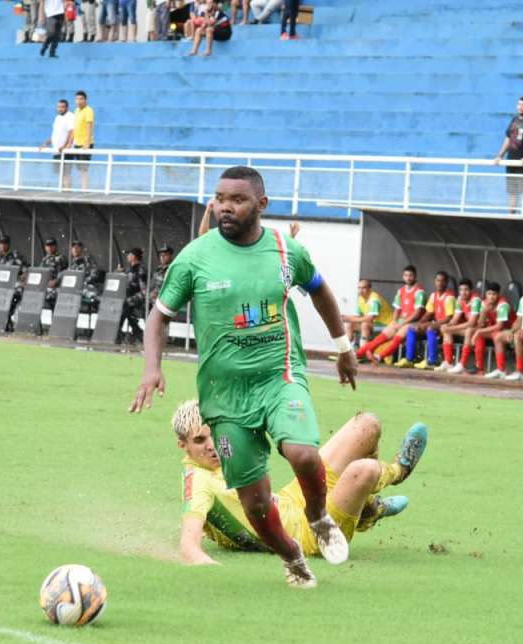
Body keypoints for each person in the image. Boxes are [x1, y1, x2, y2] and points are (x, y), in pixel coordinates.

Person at [131, 165, 358, 589]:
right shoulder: (195, 257)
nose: (225, 207)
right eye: (220, 199)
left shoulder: (286, 250)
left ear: (261, 204)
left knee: (304, 455)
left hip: (279, 377)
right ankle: (291, 556)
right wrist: (152, 368)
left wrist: (343, 349)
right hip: (224, 397)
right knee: (256, 506)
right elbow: (158, 317)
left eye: (237, 200)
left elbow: (321, 290)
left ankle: (319, 516)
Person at [174, 400, 427, 565]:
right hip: (307, 534)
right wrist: (209, 567)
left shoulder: (227, 446)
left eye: (214, 434)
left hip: (295, 498)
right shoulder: (197, 482)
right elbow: (189, 544)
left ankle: (368, 509)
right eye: (199, 440)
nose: (212, 446)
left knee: (367, 424)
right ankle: (398, 471)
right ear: (182, 446)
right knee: (365, 470)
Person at [355, 265, 425, 366]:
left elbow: (417, 313)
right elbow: (397, 309)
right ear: (403, 276)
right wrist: (395, 321)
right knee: (380, 338)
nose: (408, 278)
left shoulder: (419, 292)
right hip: (401, 321)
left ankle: (379, 357)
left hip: (413, 322)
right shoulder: (401, 291)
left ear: (415, 276)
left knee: (398, 336)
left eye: (410, 275)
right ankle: (357, 355)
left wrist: (401, 324)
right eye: (406, 275)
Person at [494, 96, 523, 215]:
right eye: (519, 104)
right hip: (512, 161)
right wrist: (500, 156)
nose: (520, 107)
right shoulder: (514, 120)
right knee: (513, 190)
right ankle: (511, 216)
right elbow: (508, 139)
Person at [454, 282, 514, 376]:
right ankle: (478, 368)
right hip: (493, 330)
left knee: (491, 335)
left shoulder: (503, 305)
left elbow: (500, 326)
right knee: (475, 333)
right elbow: (480, 323)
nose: (491, 297)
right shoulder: (484, 303)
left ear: (498, 295)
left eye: (494, 294)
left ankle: (501, 369)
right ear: (486, 294)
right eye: (489, 294)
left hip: (508, 331)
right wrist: (476, 330)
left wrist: (479, 331)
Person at [413, 271, 456, 370]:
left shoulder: (449, 297)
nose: (440, 283)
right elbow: (428, 314)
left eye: (442, 281)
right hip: (437, 324)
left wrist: (433, 324)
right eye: (438, 280)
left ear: (446, 282)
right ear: (434, 281)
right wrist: (420, 323)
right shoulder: (433, 295)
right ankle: (410, 359)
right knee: (412, 328)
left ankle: (432, 360)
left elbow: (449, 318)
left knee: (430, 328)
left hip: (447, 325)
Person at [439, 279, 482, 373]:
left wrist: (451, 328)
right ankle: (448, 361)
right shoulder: (459, 299)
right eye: (461, 290)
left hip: (480, 328)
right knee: (445, 329)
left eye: (466, 289)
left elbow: (472, 323)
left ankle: (462, 364)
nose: (463, 292)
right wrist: (447, 325)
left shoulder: (476, 300)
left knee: (468, 331)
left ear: (471, 290)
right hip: (469, 328)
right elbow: (455, 319)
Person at [342, 279, 393, 347]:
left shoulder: (374, 298)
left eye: (364, 288)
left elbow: (370, 318)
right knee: (349, 324)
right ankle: (345, 352)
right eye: (359, 288)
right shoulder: (360, 298)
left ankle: (362, 352)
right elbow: (356, 317)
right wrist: (344, 318)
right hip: (374, 324)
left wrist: (350, 319)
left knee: (365, 324)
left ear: (370, 289)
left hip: (387, 324)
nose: (360, 290)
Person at [42, 99, 75, 189]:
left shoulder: (70, 116)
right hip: (56, 150)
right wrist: (46, 143)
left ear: (67, 107)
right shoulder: (57, 118)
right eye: (58, 107)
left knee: (66, 173)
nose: (60, 109)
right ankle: (62, 190)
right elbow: (55, 134)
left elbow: (72, 131)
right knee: (59, 173)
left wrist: (65, 145)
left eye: (62, 107)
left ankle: (67, 192)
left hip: (66, 151)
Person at [68, 240, 103, 311]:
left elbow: (95, 274)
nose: (75, 249)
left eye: (77, 247)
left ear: (81, 249)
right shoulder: (72, 263)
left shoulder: (88, 260)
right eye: (73, 248)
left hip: (87, 287)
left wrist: (84, 282)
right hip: (75, 288)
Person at [70, 91, 94, 190]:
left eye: (81, 99)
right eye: (77, 99)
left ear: (85, 100)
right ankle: (84, 188)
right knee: (80, 169)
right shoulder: (76, 111)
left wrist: (87, 143)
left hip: (85, 145)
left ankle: (84, 190)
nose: (78, 101)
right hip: (77, 144)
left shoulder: (88, 110)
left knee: (84, 169)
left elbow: (89, 127)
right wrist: (71, 142)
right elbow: (75, 128)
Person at [122, 246, 148, 343]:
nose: (127, 256)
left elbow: (144, 290)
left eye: (129, 254)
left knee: (124, 309)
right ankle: (137, 332)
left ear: (134, 256)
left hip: (136, 299)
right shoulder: (129, 269)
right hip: (128, 298)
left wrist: (133, 299)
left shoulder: (140, 270)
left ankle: (136, 333)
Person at [39, 237, 69, 309]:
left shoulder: (61, 258)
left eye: (51, 245)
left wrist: (56, 281)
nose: (49, 248)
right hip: (45, 286)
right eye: (47, 246)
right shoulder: (45, 259)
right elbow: (40, 272)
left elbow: (64, 272)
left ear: (55, 246)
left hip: (56, 287)